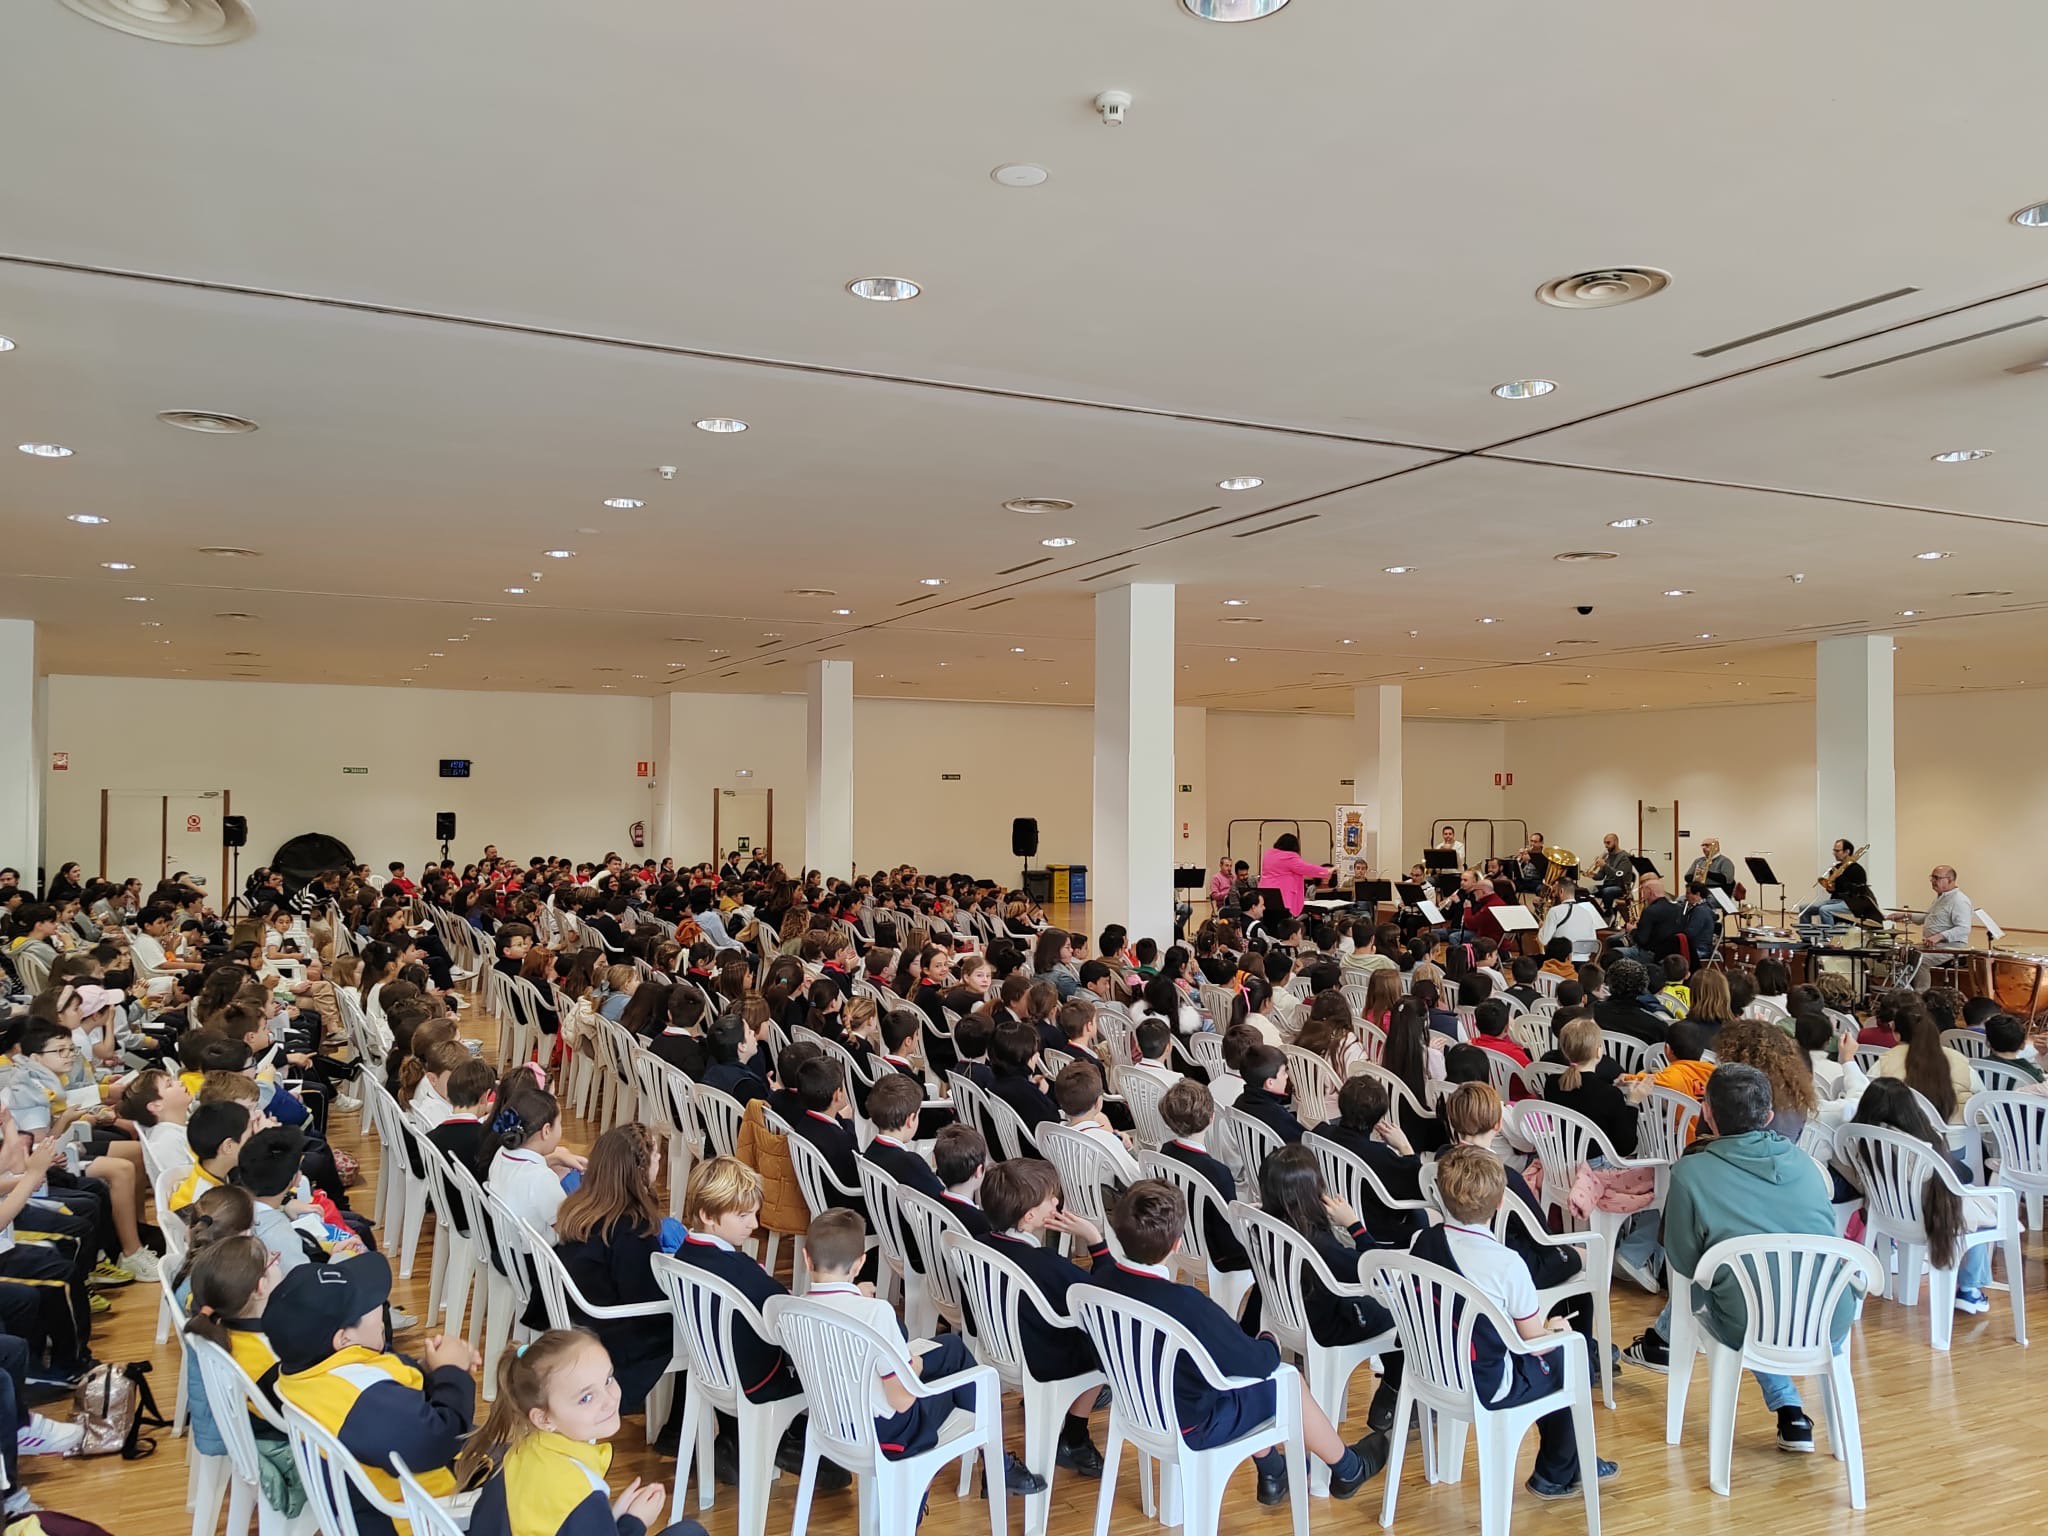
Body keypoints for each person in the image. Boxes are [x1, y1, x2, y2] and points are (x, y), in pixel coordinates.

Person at [1096, 1181, 1388, 1505]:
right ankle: (1348, 1468)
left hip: (1137, 1407)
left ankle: (1274, 1471)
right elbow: (1257, 1364)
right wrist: (1268, 1340)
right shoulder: (1186, 1304)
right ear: (1177, 1244)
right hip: (1193, 1423)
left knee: (1229, 1381)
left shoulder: (1099, 1284)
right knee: (1288, 1382)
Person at [1650, 1064, 1852, 1453]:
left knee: (1745, 1296)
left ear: (1706, 1112)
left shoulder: (1691, 1172)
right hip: (1831, 1314)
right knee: (1762, 1292)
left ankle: (1661, 1339)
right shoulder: (1806, 1164)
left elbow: (1684, 1263)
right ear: (1769, 1116)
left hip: (1750, 1319)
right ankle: (1802, 1417)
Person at [1414, 1147, 1617, 1499]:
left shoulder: (1424, 1241)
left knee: (1556, 1359)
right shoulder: (1507, 1264)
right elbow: (1534, 1341)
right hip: (1488, 1382)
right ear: (1499, 1203)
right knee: (1573, 1356)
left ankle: (1569, 1464)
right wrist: (1558, 1330)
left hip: (1434, 1368)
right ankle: (1556, 1473)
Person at [802, 1209, 1046, 1496]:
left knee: (951, 1347)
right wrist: (914, 1366)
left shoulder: (792, 1311)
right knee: (970, 1377)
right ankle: (993, 1467)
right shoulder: (875, 1313)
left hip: (832, 1425)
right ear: (860, 1263)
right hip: (889, 1432)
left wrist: (855, 1294)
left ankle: (996, 1467)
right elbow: (902, 1401)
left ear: (806, 1258)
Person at [667, 1159, 847, 1489]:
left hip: (712, 1368)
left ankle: (745, 1442)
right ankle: (802, 1444)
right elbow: (787, 1311)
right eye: (743, 1215)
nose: (754, 1224)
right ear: (708, 1215)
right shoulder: (737, 1270)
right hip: (755, 1380)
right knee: (834, 1359)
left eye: (754, 1213)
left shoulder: (684, 1255)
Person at [268, 1253, 478, 1536]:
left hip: (376, 1504)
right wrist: (453, 1373)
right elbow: (440, 1439)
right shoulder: (358, 1402)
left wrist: (432, 1371)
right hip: (422, 1519)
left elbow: (385, 1396)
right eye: (369, 1305)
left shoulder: (309, 1371)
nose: (381, 1306)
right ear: (344, 1339)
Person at [459, 1328, 707, 1536]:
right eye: (586, 1398)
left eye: (608, 1379)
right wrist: (634, 1522)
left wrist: (609, 1518)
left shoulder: (518, 1454)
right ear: (544, 1418)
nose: (609, 1400)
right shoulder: (581, 1497)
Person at [974, 1160, 1109, 1476]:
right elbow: (1105, 1295)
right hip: (1038, 1359)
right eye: (1050, 1198)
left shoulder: (977, 1245)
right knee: (1106, 1342)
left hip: (999, 1345)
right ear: (1029, 1217)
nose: (1057, 1201)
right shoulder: (1045, 1263)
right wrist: (1095, 1241)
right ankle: (1075, 1437)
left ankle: (1059, 1414)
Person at [550, 1125, 675, 1412]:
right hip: (613, 1334)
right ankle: (676, 1423)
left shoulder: (581, 1208)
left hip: (582, 1318)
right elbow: (645, 1300)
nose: (660, 1160)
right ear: (639, 1171)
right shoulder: (630, 1228)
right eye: (656, 1156)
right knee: (695, 1328)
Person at [1154, 1079, 1252, 1274]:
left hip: (1176, 1242)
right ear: (1211, 1118)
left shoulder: (1164, 1152)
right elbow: (1229, 1238)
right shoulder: (1217, 1172)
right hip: (1217, 1258)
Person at [1870, 992, 1974, 1124]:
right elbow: (1983, 1098)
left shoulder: (1885, 1061)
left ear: (1896, 1034)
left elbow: (1866, 1097)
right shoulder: (1959, 1059)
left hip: (1903, 1132)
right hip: (1956, 1132)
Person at [1798, 839, 1869, 943]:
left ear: (1847, 852)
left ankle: (1830, 941)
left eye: (1837, 851)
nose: (1834, 853)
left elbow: (1857, 891)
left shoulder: (1857, 870)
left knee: (1825, 910)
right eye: (1834, 850)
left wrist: (1840, 877)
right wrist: (1830, 888)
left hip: (1851, 902)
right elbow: (1834, 890)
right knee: (1804, 908)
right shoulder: (1836, 868)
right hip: (1835, 900)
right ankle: (1806, 940)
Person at [1258, 834, 1330, 919]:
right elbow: (1306, 868)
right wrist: (1327, 871)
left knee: (1268, 920)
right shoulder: (1289, 857)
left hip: (1266, 894)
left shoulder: (1268, 855)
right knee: (1282, 923)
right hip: (1282, 897)